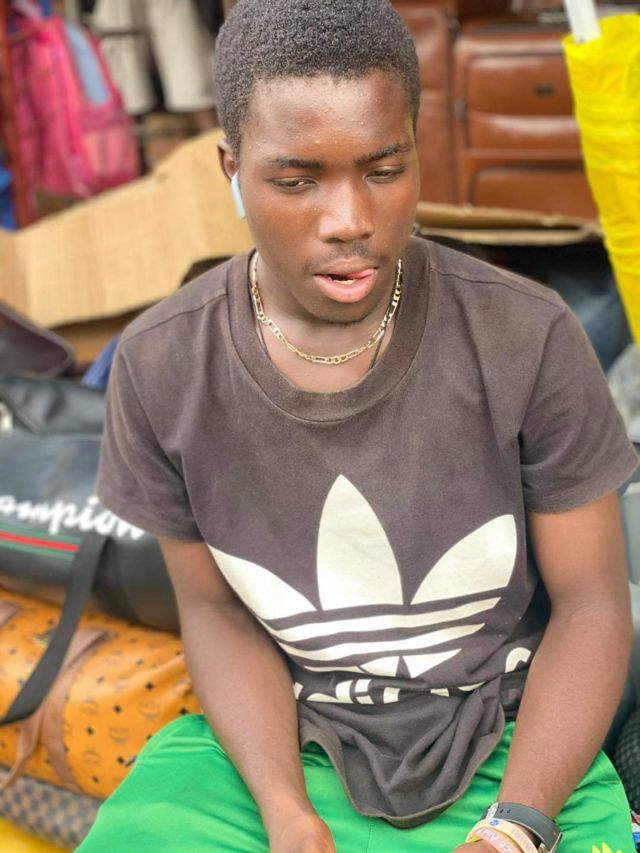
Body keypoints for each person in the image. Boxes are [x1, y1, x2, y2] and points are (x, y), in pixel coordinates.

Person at [77, 1, 639, 850]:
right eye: (295, 180)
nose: (348, 219)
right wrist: (285, 812)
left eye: (383, 169)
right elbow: (216, 612)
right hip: (282, 743)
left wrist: (518, 823)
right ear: (232, 169)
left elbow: (592, 600)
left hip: (512, 740)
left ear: (415, 147)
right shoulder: (163, 363)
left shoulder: (527, 336)